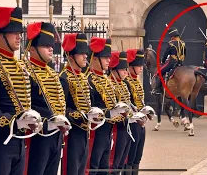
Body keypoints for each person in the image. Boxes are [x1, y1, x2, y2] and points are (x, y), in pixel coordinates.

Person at [0, 6, 42, 175]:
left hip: (19, 142)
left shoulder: (21, 67)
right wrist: (12, 121)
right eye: (14, 32)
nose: (19, 36)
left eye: (19, 32)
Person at [23, 22, 71, 175]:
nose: (51, 48)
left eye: (51, 45)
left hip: (55, 137)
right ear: (31, 48)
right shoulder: (25, 72)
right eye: (45, 45)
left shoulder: (52, 74)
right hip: (36, 137)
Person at [86, 37, 129, 175]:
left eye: (108, 57)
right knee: (92, 168)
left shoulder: (106, 80)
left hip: (108, 131)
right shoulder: (89, 80)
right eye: (105, 57)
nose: (108, 60)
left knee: (104, 169)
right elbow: (89, 108)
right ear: (94, 58)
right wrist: (109, 113)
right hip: (95, 132)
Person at [59, 33, 91, 175]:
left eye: (86, 53)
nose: (85, 57)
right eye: (81, 54)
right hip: (71, 133)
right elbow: (61, 109)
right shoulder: (64, 78)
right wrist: (80, 115)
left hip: (84, 132)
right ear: (71, 56)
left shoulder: (83, 77)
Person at [108, 51, 134, 175]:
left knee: (121, 163)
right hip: (117, 128)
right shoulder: (110, 84)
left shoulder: (123, 84)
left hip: (127, 126)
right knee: (113, 163)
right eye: (123, 69)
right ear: (115, 69)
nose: (126, 72)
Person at [124, 49, 148, 175]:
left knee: (137, 156)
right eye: (138, 65)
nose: (141, 68)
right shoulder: (126, 82)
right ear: (131, 66)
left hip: (141, 122)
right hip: (133, 123)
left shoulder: (137, 82)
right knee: (130, 157)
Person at [152, 27, 186, 94]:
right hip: (181, 64)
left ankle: (157, 89)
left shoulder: (171, 43)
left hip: (172, 63)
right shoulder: (183, 43)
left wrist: (163, 61)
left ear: (172, 36)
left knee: (159, 73)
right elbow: (185, 54)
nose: (171, 38)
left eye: (171, 36)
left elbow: (166, 53)